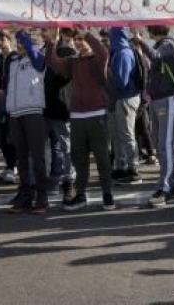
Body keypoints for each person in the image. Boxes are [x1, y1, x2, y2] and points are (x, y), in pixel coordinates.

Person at [46, 27, 115, 212]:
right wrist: (52, 42)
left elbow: (103, 51)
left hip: (97, 115)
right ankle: (81, 194)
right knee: (79, 159)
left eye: (80, 39)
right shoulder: (73, 62)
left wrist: (87, 35)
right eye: (75, 39)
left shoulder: (98, 59)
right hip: (76, 116)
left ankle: (107, 194)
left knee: (102, 158)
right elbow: (54, 62)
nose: (77, 42)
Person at [132, 25, 174, 207]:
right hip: (157, 100)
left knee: (165, 144)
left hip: (167, 99)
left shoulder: (168, 45)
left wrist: (139, 40)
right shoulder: (161, 46)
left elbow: (155, 57)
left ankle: (165, 186)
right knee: (159, 143)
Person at [5, 30, 50, 213]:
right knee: (21, 159)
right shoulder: (13, 62)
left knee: (37, 158)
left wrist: (22, 33)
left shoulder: (38, 58)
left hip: (34, 113)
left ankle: (42, 197)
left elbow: (35, 56)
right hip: (16, 114)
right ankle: (25, 195)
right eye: (18, 43)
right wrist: (5, 110)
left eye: (23, 43)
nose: (20, 46)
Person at [42, 26, 76, 202]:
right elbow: (47, 64)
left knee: (65, 146)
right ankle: (54, 179)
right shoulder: (51, 50)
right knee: (52, 147)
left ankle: (68, 181)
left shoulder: (70, 53)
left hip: (62, 108)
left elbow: (63, 74)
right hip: (47, 107)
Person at [107, 27, 144, 185]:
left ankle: (133, 168)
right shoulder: (119, 51)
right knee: (118, 135)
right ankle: (121, 166)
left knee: (126, 135)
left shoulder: (122, 53)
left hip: (125, 97)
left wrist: (107, 76)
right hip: (120, 98)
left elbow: (121, 81)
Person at [0, 30, 19, 184]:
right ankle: (9, 165)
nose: (0, 42)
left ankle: (13, 167)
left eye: (3, 39)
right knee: (1, 137)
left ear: (10, 40)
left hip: (12, 102)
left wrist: (5, 92)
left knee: (11, 137)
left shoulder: (15, 57)